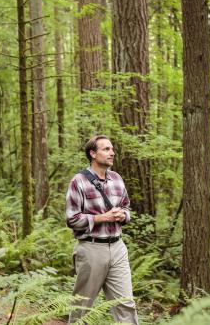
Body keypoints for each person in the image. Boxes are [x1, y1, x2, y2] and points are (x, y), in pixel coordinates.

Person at [66, 135, 139, 324]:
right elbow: (72, 219)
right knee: (82, 307)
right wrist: (101, 218)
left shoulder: (117, 179)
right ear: (92, 153)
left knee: (126, 304)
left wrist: (124, 215)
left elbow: (126, 207)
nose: (112, 153)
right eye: (106, 149)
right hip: (91, 249)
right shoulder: (79, 181)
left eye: (112, 149)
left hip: (118, 248)